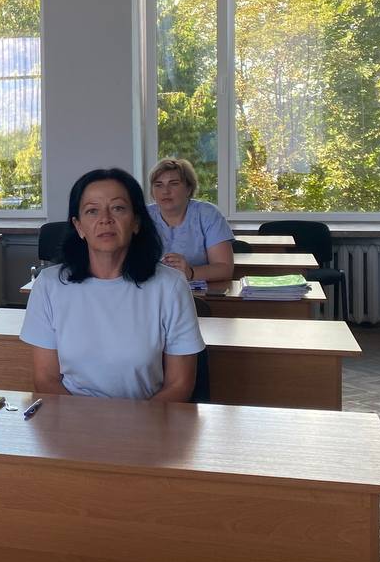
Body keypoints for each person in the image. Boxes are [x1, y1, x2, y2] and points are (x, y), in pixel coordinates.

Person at [20, 167, 204, 400]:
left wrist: (135, 422)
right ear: (79, 226)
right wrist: (87, 422)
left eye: (118, 208)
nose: (105, 219)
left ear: (136, 222)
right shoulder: (49, 285)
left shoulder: (171, 286)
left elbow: (179, 384)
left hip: (148, 417)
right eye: (92, 211)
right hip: (72, 418)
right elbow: (45, 379)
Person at [146, 158, 234, 285]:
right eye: (158, 185)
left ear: (188, 188)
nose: (165, 191)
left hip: (197, 293)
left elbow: (224, 268)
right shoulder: (142, 216)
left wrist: (191, 272)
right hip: (151, 290)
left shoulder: (208, 214)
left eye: (174, 184)